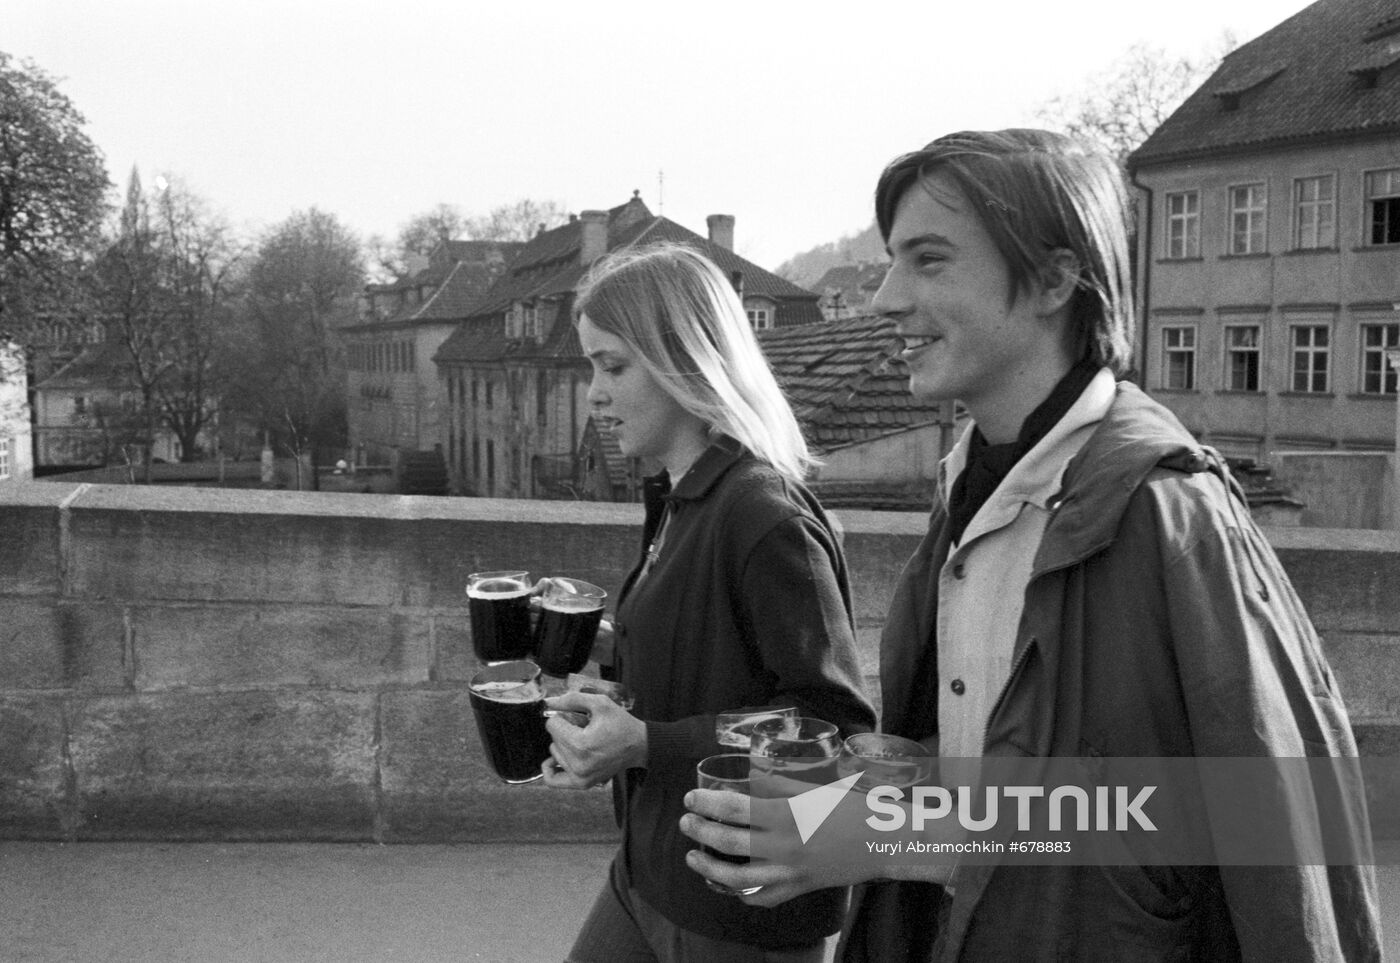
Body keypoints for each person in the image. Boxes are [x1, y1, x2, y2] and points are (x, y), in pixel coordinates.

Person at [681, 129, 1383, 961]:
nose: (885, 298)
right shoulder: (971, 487)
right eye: (890, 261)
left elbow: (1249, 809)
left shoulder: (1168, 510)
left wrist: (888, 837)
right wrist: (888, 779)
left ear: (1055, 279)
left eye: (929, 260)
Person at [542, 241, 876, 963]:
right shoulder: (680, 497)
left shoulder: (762, 513)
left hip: (735, 908)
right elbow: (715, 653)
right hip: (651, 868)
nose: (594, 393)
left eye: (612, 365)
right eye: (591, 365)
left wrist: (644, 744)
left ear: (684, 363)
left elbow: (829, 723)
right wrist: (610, 642)